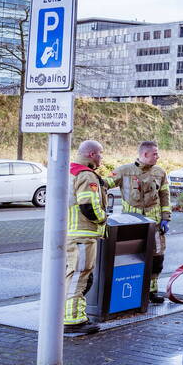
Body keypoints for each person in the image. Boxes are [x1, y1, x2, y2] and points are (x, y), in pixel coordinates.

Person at [110, 141, 171, 303]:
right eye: (155, 154)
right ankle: (133, 289)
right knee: (132, 257)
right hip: (131, 226)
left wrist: (166, 218)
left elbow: (165, 196)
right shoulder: (124, 171)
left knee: (157, 257)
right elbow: (103, 185)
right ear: (145, 154)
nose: (158, 157)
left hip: (155, 225)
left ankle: (152, 290)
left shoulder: (160, 172)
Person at [64, 140, 108, 335]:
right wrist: (103, 219)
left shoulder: (68, 170)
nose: (101, 157)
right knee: (80, 276)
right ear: (92, 154)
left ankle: (73, 315)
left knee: (73, 275)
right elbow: (88, 206)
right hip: (83, 233)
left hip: (70, 232)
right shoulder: (86, 175)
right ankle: (73, 319)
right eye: (100, 154)